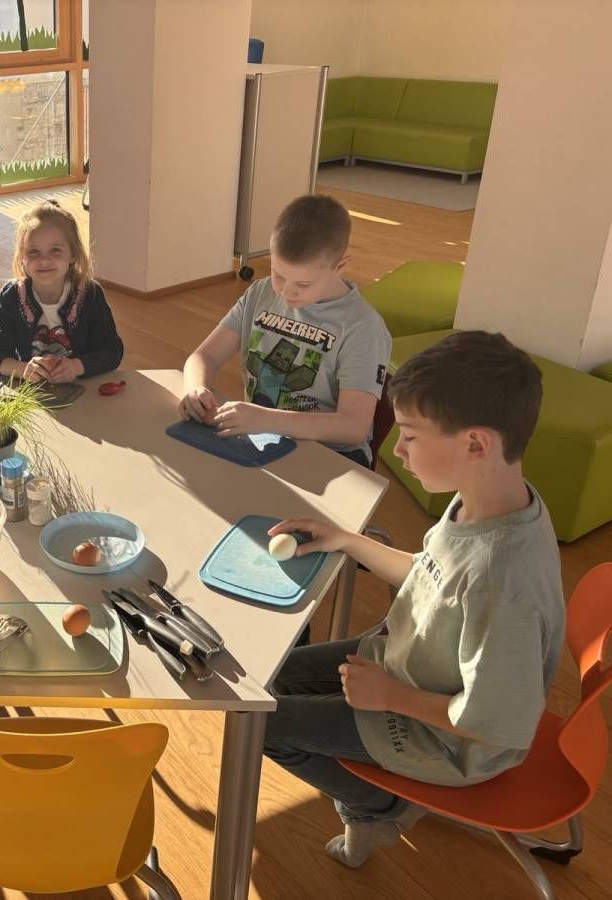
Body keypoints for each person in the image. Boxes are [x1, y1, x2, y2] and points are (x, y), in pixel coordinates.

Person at [263, 330, 565, 869]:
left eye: (409, 435)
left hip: (447, 739)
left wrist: (391, 697)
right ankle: (378, 788)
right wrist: (346, 539)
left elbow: (497, 723)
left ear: (475, 444)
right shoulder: (485, 502)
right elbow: (430, 575)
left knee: (259, 726)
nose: (397, 450)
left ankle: (380, 808)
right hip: (409, 667)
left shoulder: (502, 580)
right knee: (277, 675)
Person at [181, 194, 392, 467]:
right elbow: (204, 357)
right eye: (278, 274)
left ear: (340, 266)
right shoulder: (261, 293)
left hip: (333, 456)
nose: (286, 291)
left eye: (303, 284)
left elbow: (353, 427)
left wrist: (265, 419)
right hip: (264, 437)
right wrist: (195, 388)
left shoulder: (362, 327)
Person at [0, 199, 123, 383]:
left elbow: (112, 351)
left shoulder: (90, 294)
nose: (44, 260)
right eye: (33, 252)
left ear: (73, 254)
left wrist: (77, 366)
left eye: (55, 250)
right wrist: (23, 369)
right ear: (22, 256)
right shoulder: (11, 297)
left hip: (84, 389)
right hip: (31, 393)